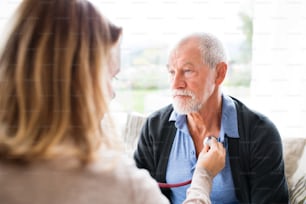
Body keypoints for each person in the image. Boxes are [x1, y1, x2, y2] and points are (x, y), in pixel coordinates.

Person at [0, 1, 226, 204]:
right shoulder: (121, 185)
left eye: (187, 71)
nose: (111, 93)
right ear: (82, 83)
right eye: (110, 76)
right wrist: (202, 178)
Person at [134, 32, 289, 204]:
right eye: (172, 72)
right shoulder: (154, 128)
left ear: (220, 73)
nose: (175, 83)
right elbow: (135, 196)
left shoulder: (260, 133)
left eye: (187, 71)